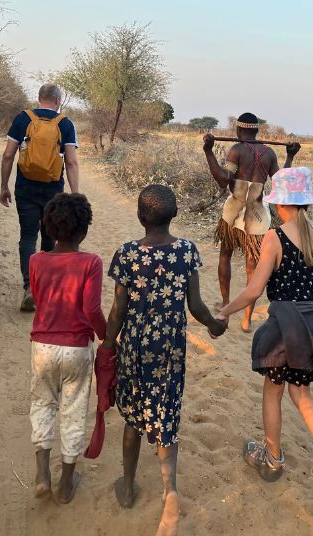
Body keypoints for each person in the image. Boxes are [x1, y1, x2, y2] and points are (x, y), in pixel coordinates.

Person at [215, 167, 313, 498]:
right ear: (306, 202)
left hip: (283, 332)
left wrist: (224, 311)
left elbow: (254, 290)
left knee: (273, 392)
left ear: (279, 205)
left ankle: (272, 459)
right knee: (302, 395)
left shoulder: (275, 237)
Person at [106, 184, 227, 536]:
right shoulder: (186, 252)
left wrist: (108, 343)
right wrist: (214, 325)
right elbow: (196, 305)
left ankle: (127, 487)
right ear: (174, 215)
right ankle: (170, 491)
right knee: (165, 412)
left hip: (135, 349)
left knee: (132, 419)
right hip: (170, 349)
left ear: (140, 216)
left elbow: (118, 310)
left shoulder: (127, 254)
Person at [28, 193, 108, 505]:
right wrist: (105, 337)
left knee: (43, 404)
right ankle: (65, 482)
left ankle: (42, 473)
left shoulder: (36, 261)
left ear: (47, 228)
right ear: (84, 231)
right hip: (77, 348)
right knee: (74, 411)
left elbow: (38, 298)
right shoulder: (91, 263)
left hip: (43, 346)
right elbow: (92, 310)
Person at [203, 112, 300, 333]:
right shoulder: (269, 153)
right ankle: (246, 319)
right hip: (258, 215)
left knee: (225, 255)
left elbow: (223, 180)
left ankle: (226, 303)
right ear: (257, 131)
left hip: (233, 211)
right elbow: (280, 182)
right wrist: (290, 156)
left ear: (238, 131)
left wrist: (208, 152)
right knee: (252, 266)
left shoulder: (236, 150)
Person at [0, 83, 80, 312]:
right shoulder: (65, 123)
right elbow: (71, 162)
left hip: (25, 187)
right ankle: (44, 287)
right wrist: (75, 195)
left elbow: (8, 155)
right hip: (53, 190)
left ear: (39, 98)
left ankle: (29, 288)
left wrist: (4, 185)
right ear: (58, 100)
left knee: (27, 236)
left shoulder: (22, 119)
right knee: (49, 237)